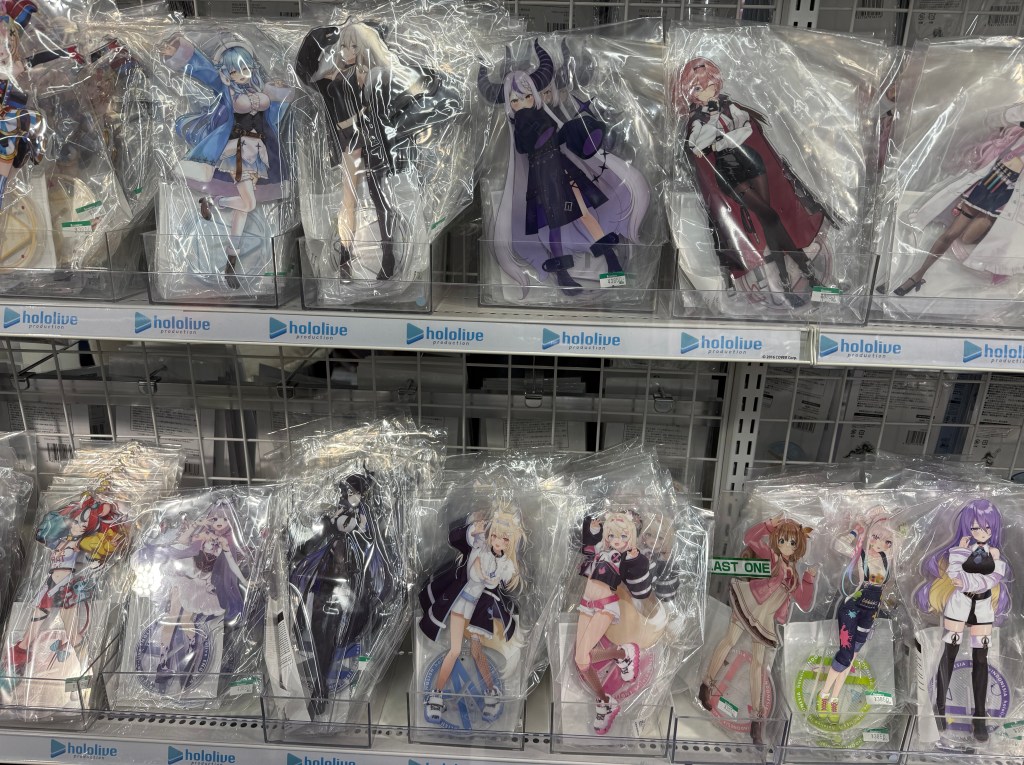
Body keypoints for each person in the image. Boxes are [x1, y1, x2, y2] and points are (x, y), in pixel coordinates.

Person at [478, 40, 649, 297]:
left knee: (586, 212)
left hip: (562, 169)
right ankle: (564, 275)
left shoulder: (542, 113)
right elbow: (529, 143)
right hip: (542, 178)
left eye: (527, 96)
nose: (523, 102)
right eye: (516, 100)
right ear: (509, 104)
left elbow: (553, 136)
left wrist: (574, 135)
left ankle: (612, 265)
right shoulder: (523, 121)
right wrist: (557, 134)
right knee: (554, 225)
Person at [673, 58, 829, 307]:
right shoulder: (697, 118)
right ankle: (800, 276)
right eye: (698, 88)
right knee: (769, 217)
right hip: (728, 170)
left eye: (709, 84)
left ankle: (791, 282)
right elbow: (697, 145)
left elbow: (745, 126)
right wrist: (716, 125)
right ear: (691, 93)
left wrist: (721, 137)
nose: (707, 91)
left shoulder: (730, 105)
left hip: (751, 160)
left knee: (770, 219)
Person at [160, 33, 293, 288]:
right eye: (234, 71)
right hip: (238, 152)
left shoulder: (259, 88)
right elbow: (204, 71)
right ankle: (215, 202)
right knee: (248, 203)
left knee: (241, 213)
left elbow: (278, 109)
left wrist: (281, 89)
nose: (240, 75)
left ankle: (231, 264)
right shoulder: (227, 89)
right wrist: (179, 52)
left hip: (260, 152)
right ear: (226, 72)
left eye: (244, 69)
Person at [698, 516, 815, 745]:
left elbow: (803, 599)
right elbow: (750, 538)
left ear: (798, 546)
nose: (786, 546)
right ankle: (706, 684)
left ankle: (757, 719)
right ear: (776, 539)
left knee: (759, 665)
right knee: (729, 640)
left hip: (766, 620)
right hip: (750, 605)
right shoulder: (771, 557)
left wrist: (809, 579)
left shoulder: (794, 575)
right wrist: (767, 525)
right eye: (782, 540)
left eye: (792, 542)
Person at [893, 104, 1024, 295]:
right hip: (988, 185)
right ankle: (917, 275)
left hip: (1003, 200)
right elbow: (997, 117)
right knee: (950, 234)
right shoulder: (1014, 134)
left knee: (967, 237)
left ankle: (990, 255)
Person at [914, 499, 1012, 742]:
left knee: (981, 658)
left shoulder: (995, 554)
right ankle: (939, 707)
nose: (981, 532)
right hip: (959, 606)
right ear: (967, 527)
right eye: (975, 527)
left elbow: (990, 580)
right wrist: (959, 550)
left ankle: (980, 717)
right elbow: (953, 573)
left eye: (987, 527)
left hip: (983, 608)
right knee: (949, 653)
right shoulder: (960, 550)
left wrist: (966, 580)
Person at [419, 510, 524, 724]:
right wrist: (473, 528)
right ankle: (436, 694)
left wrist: (489, 577)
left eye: (505, 539)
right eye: (495, 535)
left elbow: (494, 585)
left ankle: (491, 691)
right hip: (460, 603)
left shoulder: (504, 564)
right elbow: (455, 538)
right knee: (455, 650)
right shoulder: (478, 547)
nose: (498, 541)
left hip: (478, 610)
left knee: (477, 652)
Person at [575, 511, 652, 734]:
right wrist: (594, 527)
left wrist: (636, 559)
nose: (616, 540)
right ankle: (608, 691)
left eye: (623, 536)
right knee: (581, 661)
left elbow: (639, 584)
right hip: (586, 604)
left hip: (605, 606)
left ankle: (622, 657)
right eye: (612, 535)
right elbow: (588, 545)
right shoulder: (601, 550)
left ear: (631, 537)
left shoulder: (624, 558)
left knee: (584, 656)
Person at [815, 516, 894, 721]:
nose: (880, 543)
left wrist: (893, 522)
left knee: (853, 657)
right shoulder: (861, 554)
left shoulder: (887, 558)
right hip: (853, 608)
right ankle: (823, 695)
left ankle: (834, 699)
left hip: (871, 612)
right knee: (846, 654)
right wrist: (856, 531)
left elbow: (903, 542)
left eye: (886, 540)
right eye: (875, 537)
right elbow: (838, 544)